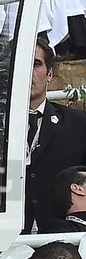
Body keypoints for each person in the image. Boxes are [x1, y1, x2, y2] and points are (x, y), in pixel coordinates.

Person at [25, 39, 86, 232]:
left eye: (35, 64)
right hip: (3, 238)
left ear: (49, 74)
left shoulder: (77, 124)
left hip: (64, 235)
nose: (28, 72)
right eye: (21, 64)